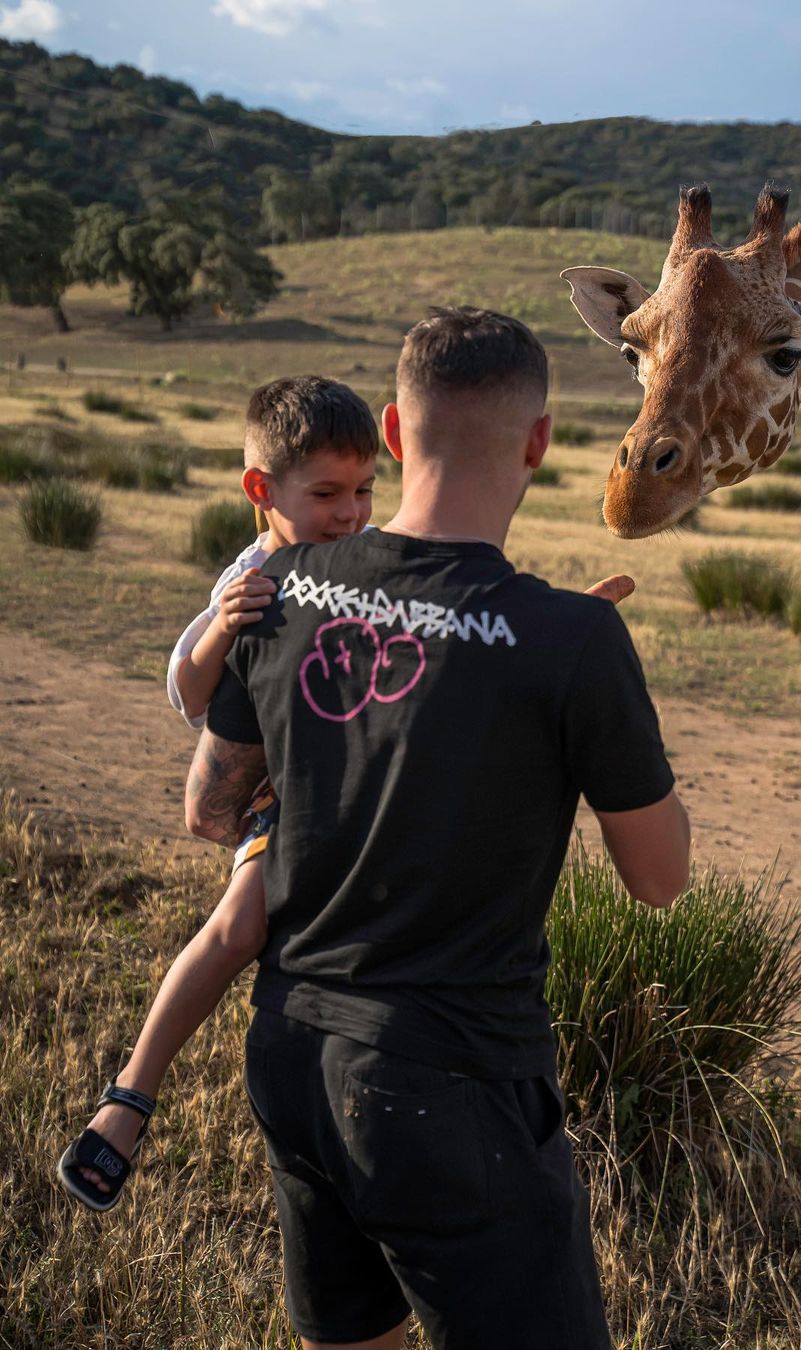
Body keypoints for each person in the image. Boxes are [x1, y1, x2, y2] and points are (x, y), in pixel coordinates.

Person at [186, 307, 690, 1350]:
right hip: (454, 1092)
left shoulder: (272, 586)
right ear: (541, 443)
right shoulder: (573, 637)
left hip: (292, 1054)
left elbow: (212, 809)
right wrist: (579, 704)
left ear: (394, 434)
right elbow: (660, 877)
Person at [57, 376, 380, 1211]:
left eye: (365, 490)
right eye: (328, 494)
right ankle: (130, 1095)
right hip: (277, 793)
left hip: (359, 786)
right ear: (260, 492)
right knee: (237, 927)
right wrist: (225, 625)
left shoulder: (373, 553)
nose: (350, 513)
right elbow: (187, 692)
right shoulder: (252, 574)